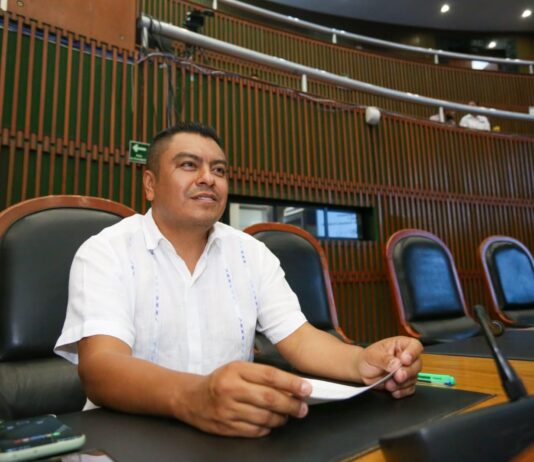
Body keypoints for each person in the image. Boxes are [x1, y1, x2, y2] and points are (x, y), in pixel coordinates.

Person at [55, 122, 422, 438]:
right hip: (125, 437)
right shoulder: (106, 251)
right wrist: (196, 396)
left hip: (233, 437)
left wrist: (362, 362)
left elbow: (300, 340)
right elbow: (101, 368)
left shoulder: (251, 253)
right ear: (150, 184)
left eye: (219, 169)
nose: (208, 178)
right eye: (189, 165)